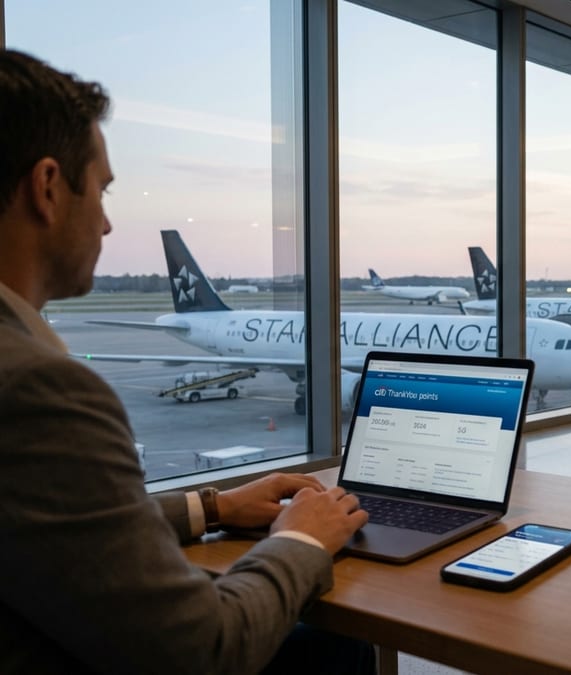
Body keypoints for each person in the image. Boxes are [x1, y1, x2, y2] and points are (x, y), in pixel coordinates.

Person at [0, 50, 372, 674]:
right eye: (102, 190)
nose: (109, 224)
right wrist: (303, 538)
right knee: (337, 648)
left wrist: (212, 507)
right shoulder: (40, 389)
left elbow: (45, 523)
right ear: (46, 189)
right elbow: (204, 653)